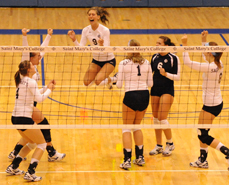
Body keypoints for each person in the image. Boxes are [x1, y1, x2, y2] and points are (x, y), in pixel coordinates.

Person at [181, 31, 229, 170]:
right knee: (201, 132)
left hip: (211, 105)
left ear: (210, 53)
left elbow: (187, 62)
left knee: (203, 135)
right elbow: (205, 55)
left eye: (206, 49)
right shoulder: (218, 63)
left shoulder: (210, 67)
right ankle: (202, 160)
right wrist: (204, 40)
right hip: (214, 103)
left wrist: (184, 46)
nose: (204, 50)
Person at [8, 28, 66, 162]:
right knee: (43, 125)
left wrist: (49, 36)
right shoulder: (26, 65)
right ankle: (51, 152)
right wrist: (24, 36)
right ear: (30, 59)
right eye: (37, 56)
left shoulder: (34, 66)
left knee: (31, 131)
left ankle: (15, 153)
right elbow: (25, 49)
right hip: (28, 104)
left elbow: (43, 49)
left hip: (30, 101)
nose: (40, 56)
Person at [6, 60, 55, 181]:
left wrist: (46, 87)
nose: (34, 66)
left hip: (15, 117)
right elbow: (39, 98)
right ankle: (30, 172)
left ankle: (13, 166)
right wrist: (50, 90)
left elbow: (34, 93)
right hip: (24, 118)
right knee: (42, 143)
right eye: (32, 65)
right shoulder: (31, 81)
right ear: (28, 69)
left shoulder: (21, 80)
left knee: (32, 142)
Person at [117, 39, 153, 170]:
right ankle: (140, 158)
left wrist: (115, 81)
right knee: (137, 126)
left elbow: (119, 85)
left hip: (131, 95)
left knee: (126, 128)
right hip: (144, 96)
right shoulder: (147, 63)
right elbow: (150, 84)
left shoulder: (123, 63)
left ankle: (127, 160)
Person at [68, 6, 117, 88]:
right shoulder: (85, 30)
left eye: (93, 14)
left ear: (98, 17)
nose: (91, 16)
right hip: (96, 60)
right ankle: (105, 78)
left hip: (108, 60)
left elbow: (106, 49)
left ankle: (114, 79)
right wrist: (74, 40)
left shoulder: (105, 30)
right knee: (86, 83)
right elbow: (81, 49)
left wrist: (101, 45)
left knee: (98, 81)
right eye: (89, 14)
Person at [149, 36, 181, 156]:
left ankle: (170, 143)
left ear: (166, 46)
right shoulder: (154, 57)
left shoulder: (173, 58)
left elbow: (177, 77)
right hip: (155, 89)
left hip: (167, 89)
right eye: (156, 43)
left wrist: (166, 74)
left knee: (162, 118)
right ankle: (158, 145)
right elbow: (150, 72)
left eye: (159, 43)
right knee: (156, 118)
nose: (156, 45)